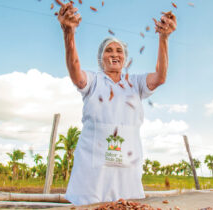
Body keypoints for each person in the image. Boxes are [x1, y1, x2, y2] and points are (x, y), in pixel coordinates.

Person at [57, 2, 177, 206]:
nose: (114, 54)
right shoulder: (94, 81)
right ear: (100, 58)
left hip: (127, 168)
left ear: (125, 58)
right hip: (92, 170)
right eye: (108, 50)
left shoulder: (135, 83)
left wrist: (164, 38)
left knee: (127, 205)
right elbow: (76, 74)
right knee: (89, 206)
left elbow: (160, 77)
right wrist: (69, 32)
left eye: (119, 51)